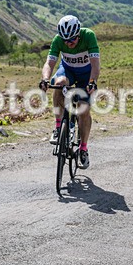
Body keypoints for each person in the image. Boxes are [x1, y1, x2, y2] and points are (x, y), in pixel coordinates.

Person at [39, 15, 100, 169]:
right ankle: (59, 127)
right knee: (58, 84)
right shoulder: (58, 40)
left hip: (86, 75)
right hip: (68, 71)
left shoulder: (89, 36)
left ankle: (83, 149)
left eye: (72, 39)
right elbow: (50, 63)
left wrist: (92, 82)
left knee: (83, 110)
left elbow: (95, 65)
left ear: (78, 34)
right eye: (65, 40)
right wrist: (45, 79)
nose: (69, 43)